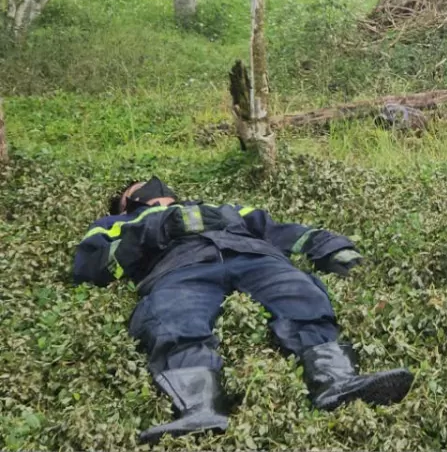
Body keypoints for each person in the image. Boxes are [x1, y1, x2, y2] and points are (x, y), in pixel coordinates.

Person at [73, 178, 414, 444]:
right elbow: (91, 266)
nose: (151, 188)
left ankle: (336, 381)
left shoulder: (222, 209)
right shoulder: (116, 223)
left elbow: (278, 231)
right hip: (178, 270)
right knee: (173, 319)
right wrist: (153, 231)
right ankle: (199, 408)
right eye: (138, 190)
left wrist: (331, 247)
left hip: (255, 258)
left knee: (300, 294)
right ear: (124, 202)